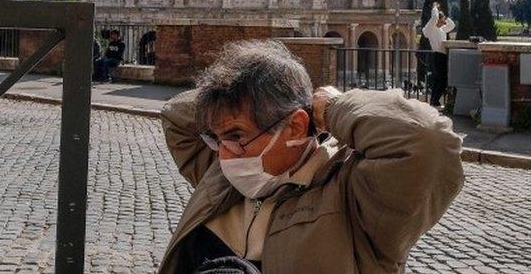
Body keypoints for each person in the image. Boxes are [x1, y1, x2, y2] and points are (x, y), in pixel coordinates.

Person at [159, 39, 463, 273]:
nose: (225, 154)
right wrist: (232, 92)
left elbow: (427, 141)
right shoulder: (225, 174)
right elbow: (176, 116)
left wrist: (334, 108)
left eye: (237, 135)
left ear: (295, 127)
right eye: (216, 138)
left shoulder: (353, 193)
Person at [422, 2, 455, 107]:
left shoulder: (441, 30)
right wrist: (435, 7)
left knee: (440, 79)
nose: (444, 21)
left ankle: (434, 100)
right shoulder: (432, 28)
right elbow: (434, 17)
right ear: (439, 19)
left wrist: (446, 16)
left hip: (442, 56)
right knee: (441, 79)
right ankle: (434, 100)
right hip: (438, 55)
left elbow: (452, 25)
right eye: (443, 19)